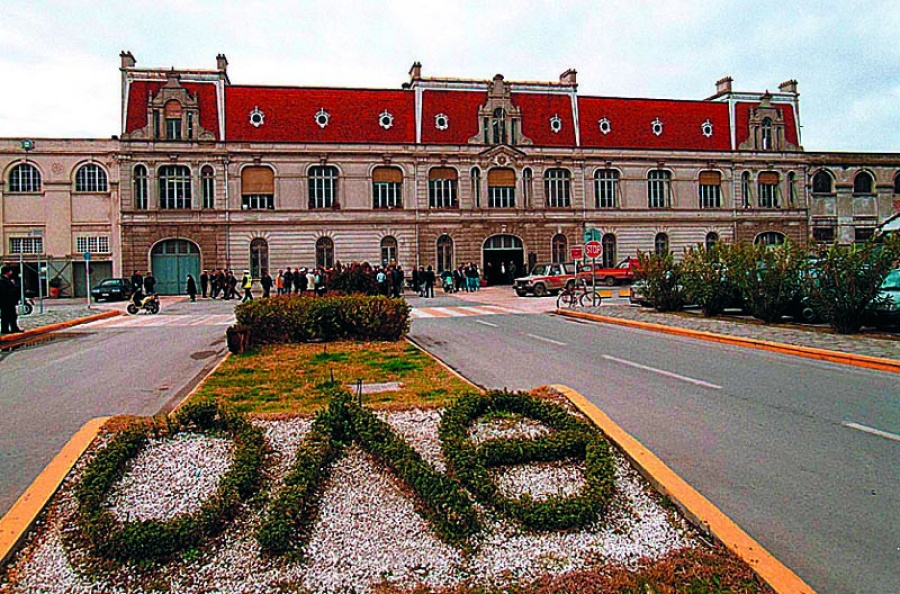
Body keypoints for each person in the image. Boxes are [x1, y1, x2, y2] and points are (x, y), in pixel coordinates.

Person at [0, 265, 23, 334]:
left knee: (12, 315)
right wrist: (15, 285)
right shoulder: (3, 281)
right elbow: (8, 291)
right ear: (8, 272)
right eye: (10, 271)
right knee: (6, 316)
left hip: (9, 301)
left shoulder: (6, 280)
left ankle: (14, 328)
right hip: (6, 301)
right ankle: (5, 329)